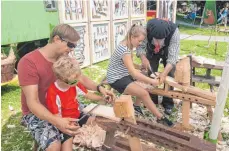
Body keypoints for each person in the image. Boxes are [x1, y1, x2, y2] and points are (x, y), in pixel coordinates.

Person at [18, 24, 114, 151]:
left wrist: (99, 88)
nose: (72, 49)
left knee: (103, 123)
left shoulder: (64, 58)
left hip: (64, 105)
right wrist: (57, 121)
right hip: (38, 112)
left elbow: (81, 78)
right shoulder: (28, 62)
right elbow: (33, 103)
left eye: (74, 46)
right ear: (57, 39)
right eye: (71, 45)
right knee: (54, 146)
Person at [106, 24, 173, 127]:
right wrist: (152, 81)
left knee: (144, 81)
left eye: (142, 41)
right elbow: (133, 73)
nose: (140, 43)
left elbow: (127, 65)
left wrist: (140, 67)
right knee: (144, 93)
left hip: (122, 74)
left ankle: (136, 106)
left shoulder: (126, 45)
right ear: (132, 37)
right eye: (139, 41)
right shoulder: (124, 50)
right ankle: (160, 118)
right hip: (116, 79)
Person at [46, 55, 108, 150]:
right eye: (73, 82)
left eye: (77, 79)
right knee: (67, 148)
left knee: (101, 124)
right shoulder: (53, 93)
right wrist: (69, 125)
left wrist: (102, 98)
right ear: (62, 79)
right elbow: (56, 117)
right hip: (63, 122)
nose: (76, 83)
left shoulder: (74, 84)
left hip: (77, 116)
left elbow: (88, 94)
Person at [136, 18, 180, 115]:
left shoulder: (174, 32)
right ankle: (152, 99)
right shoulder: (146, 28)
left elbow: (173, 58)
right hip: (151, 51)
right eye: (156, 39)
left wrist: (164, 74)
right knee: (150, 73)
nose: (157, 43)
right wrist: (143, 58)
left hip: (167, 50)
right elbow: (140, 45)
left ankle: (168, 102)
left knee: (170, 74)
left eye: (160, 40)